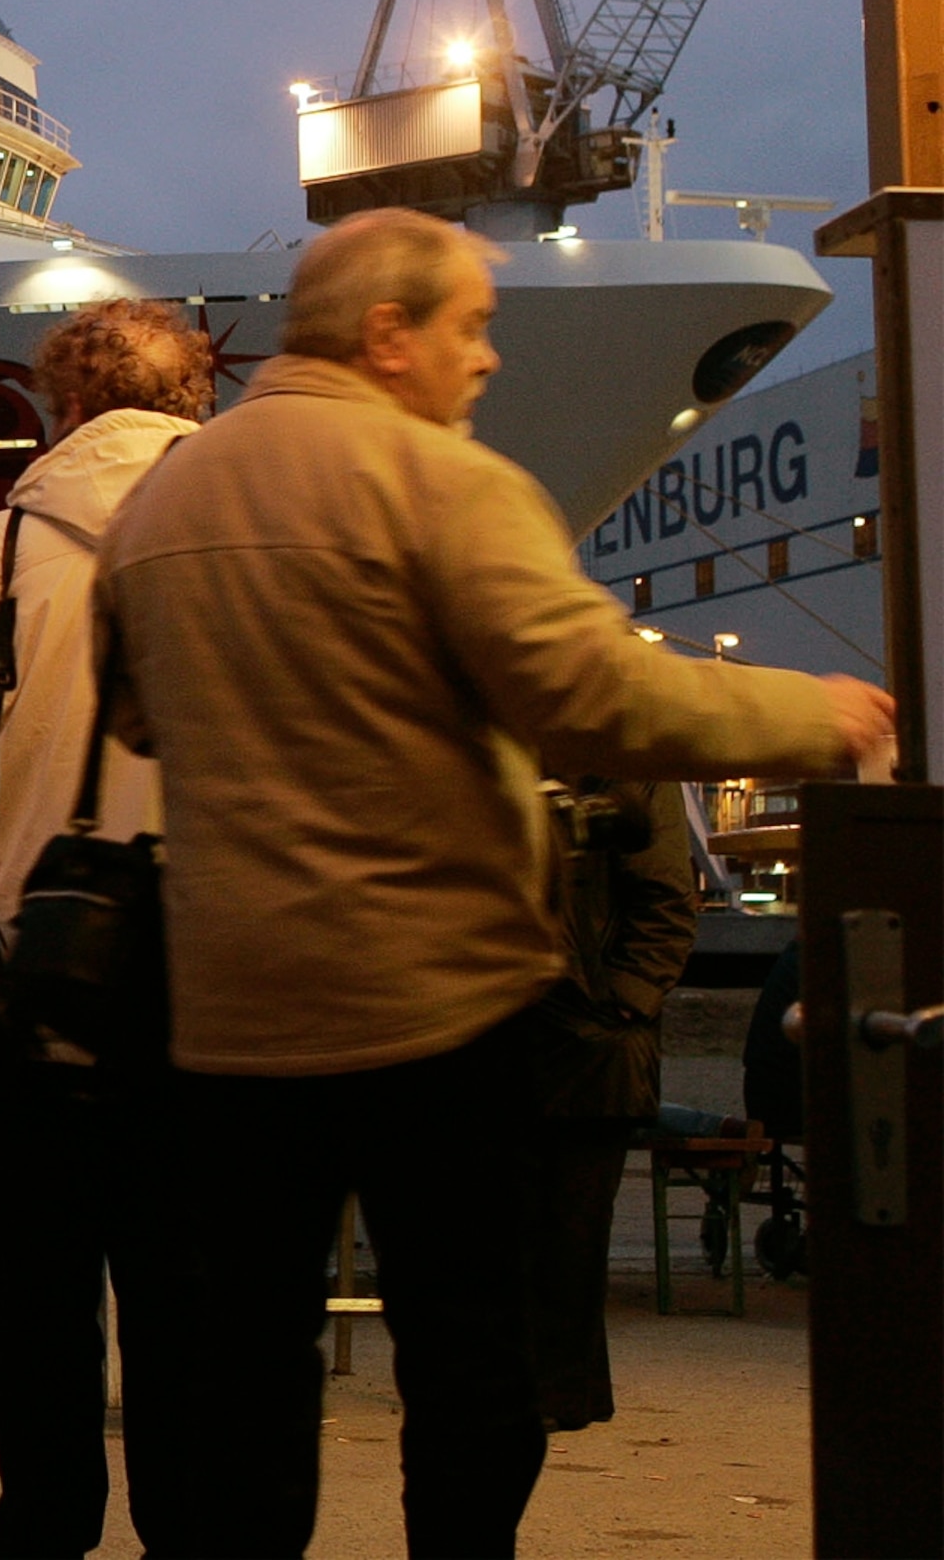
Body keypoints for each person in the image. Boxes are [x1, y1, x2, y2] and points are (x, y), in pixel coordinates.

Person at [93, 207, 893, 1559]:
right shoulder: (440, 484)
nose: (490, 360)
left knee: (249, 1368)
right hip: (433, 1004)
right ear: (390, 333)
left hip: (227, 1013)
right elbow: (591, 699)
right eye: (472, 324)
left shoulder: (164, 498)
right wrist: (818, 718)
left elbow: (136, 720)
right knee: (474, 1360)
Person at [0, 295, 213, 1560]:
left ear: (63, 409)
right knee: (190, 1298)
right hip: (212, 980)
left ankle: (46, 1529)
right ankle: (190, 1526)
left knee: (44, 1297)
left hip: (35, 976)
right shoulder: (247, 536)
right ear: (197, 405)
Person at [521, 779, 698, 1432]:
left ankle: (556, 1393)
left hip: (584, 1027)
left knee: (568, 1226)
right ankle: (555, 1392)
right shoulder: (624, 756)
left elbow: (668, 896)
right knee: (559, 1229)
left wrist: (625, 993)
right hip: (570, 1020)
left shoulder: (628, 760)